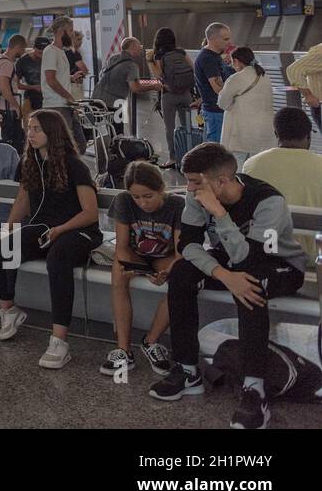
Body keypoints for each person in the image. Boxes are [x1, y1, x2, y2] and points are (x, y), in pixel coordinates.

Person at [151, 143, 306, 429]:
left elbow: (251, 258)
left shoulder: (269, 202)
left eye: (195, 182)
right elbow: (188, 245)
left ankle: (255, 388)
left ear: (221, 181)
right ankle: (188, 369)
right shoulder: (196, 195)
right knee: (183, 273)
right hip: (233, 260)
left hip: (280, 264)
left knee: (251, 284)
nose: (189, 188)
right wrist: (222, 273)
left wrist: (219, 214)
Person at [0, 109, 103, 369]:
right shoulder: (29, 162)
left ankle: (59, 340)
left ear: (52, 133)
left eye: (37, 129)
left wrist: (62, 229)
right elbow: (23, 199)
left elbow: (90, 212)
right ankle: (9, 311)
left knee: (58, 258)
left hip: (79, 230)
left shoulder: (74, 165)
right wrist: (9, 228)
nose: (30, 134)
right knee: (4, 249)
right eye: (29, 128)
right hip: (45, 227)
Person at [100, 161, 180, 379]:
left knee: (181, 277)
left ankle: (150, 341)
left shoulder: (176, 205)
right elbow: (122, 247)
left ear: (161, 189)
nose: (142, 203)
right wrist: (133, 267)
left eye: (148, 196)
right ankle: (124, 349)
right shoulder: (124, 201)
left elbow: (180, 252)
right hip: (137, 255)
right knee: (118, 271)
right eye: (137, 197)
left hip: (166, 256)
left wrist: (165, 272)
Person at [243, 107, 322, 265]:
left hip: (269, 253)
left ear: (276, 134)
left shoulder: (252, 165)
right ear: (308, 135)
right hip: (315, 256)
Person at [217, 47, 274, 166]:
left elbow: (223, 103)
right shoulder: (265, 77)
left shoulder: (236, 78)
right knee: (258, 164)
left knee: (237, 163)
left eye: (232, 62)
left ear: (237, 61)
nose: (232, 66)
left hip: (241, 129)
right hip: (263, 129)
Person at [95, 37, 163, 133]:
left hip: (97, 100)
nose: (141, 48)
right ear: (132, 47)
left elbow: (102, 75)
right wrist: (154, 86)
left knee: (100, 132)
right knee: (117, 133)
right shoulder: (131, 66)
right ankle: (115, 147)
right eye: (139, 45)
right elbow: (135, 87)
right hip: (114, 104)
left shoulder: (113, 58)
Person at [41, 17, 86, 154]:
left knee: (79, 144)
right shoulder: (50, 51)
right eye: (70, 30)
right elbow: (50, 80)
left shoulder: (61, 52)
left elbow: (57, 77)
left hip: (65, 105)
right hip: (56, 105)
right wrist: (69, 97)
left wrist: (71, 78)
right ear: (62, 31)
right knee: (64, 147)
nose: (73, 33)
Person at [152, 27, 195, 169]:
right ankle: (189, 156)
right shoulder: (181, 52)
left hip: (169, 94)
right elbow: (192, 68)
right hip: (185, 93)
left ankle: (172, 158)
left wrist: (149, 61)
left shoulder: (158, 55)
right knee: (187, 126)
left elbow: (158, 75)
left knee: (170, 128)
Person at [193, 22, 233, 143]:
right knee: (216, 149)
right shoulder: (208, 58)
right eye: (225, 39)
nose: (229, 42)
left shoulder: (215, 57)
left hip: (218, 110)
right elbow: (218, 88)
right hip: (215, 111)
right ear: (213, 39)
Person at [0, 34, 26, 154]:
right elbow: (4, 88)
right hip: (7, 109)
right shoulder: (6, 63)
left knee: (13, 141)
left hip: (3, 107)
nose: (22, 52)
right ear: (17, 46)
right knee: (13, 144)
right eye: (22, 49)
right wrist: (16, 106)